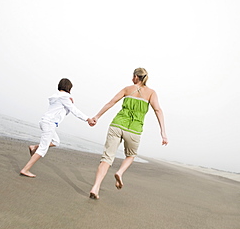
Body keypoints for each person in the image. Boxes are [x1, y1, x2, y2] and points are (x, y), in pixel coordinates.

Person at [89, 67, 168, 199]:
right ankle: (120, 172)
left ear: (136, 77)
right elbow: (158, 110)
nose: (132, 78)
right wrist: (163, 133)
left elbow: (111, 102)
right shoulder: (151, 93)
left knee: (107, 159)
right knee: (131, 155)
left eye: (133, 76)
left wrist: (97, 117)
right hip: (134, 130)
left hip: (117, 125)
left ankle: (95, 187)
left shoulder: (127, 89)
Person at [20, 78, 95, 178]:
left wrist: (70, 103)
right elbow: (74, 111)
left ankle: (34, 147)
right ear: (69, 88)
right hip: (49, 123)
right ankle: (25, 169)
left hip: (45, 122)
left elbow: (64, 112)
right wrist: (87, 119)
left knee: (56, 142)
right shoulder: (65, 97)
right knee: (43, 149)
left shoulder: (56, 97)